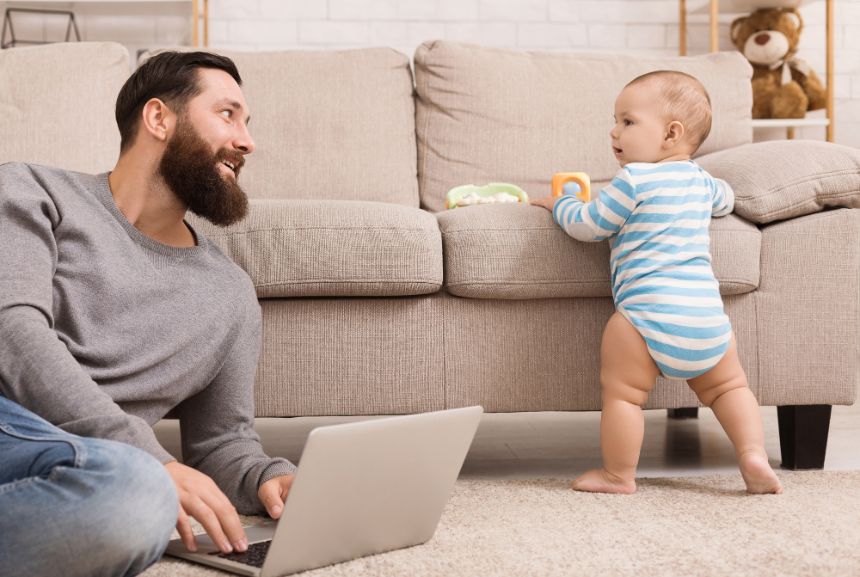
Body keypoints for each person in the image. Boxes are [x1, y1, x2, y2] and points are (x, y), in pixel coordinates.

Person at [0, 51, 297, 577]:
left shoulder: (230, 295)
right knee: (142, 486)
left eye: (247, 123)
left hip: (91, 465)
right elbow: (13, 332)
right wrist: (153, 460)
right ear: (158, 118)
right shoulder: (32, 190)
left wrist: (264, 479)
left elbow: (222, 443)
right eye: (228, 114)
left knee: (132, 500)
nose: (247, 141)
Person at [531, 70, 783, 495]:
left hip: (644, 316)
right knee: (729, 387)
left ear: (671, 133)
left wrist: (563, 204)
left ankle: (618, 475)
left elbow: (589, 225)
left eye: (628, 122)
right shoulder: (701, 182)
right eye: (615, 120)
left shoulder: (632, 181)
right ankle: (751, 454)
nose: (614, 131)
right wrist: (714, 192)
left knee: (624, 397)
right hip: (705, 318)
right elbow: (727, 199)